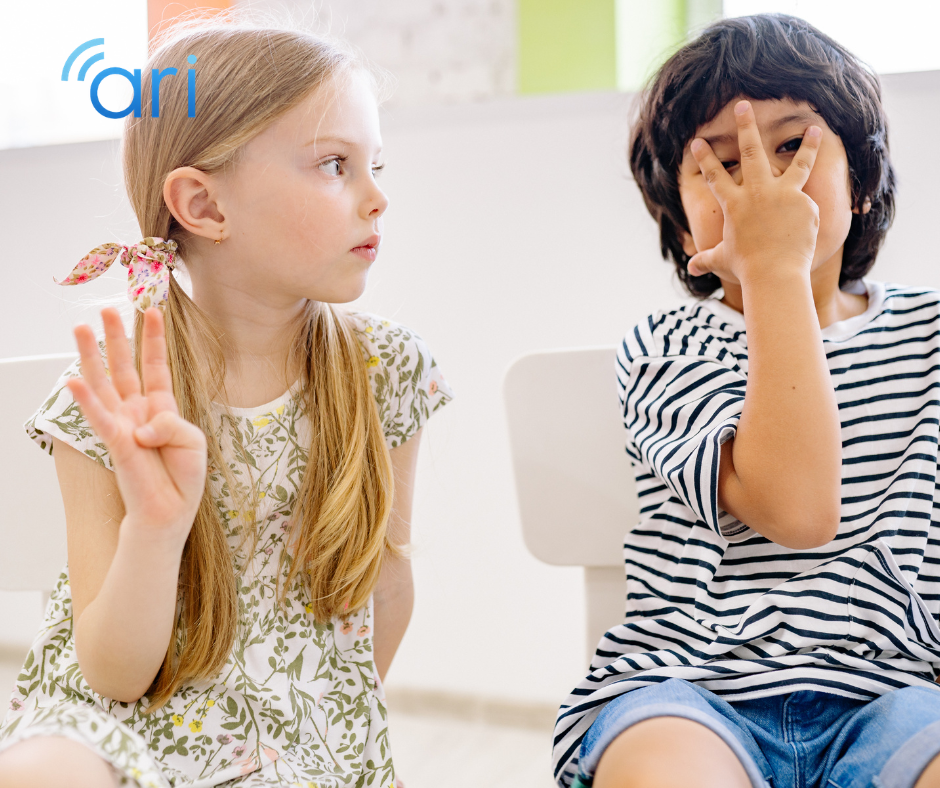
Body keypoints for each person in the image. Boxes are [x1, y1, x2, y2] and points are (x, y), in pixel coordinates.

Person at [0, 18, 452, 788]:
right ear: (203, 206)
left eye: (376, 164)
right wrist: (156, 528)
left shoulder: (388, 369)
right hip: (116, 726)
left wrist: (320, 742)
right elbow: (111, 675)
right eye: (336, 165)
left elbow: (387, 589)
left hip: (296, 739)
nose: (378, 198)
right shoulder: (112, 396)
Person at [552, 13, 940, 788]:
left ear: (860, 180)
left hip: (900, 692)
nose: (760, 181)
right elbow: (797, 510)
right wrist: (774, 273)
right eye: (721, 164)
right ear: (681, 215)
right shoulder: (669, 346)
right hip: (689, 689)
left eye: (792, 146)